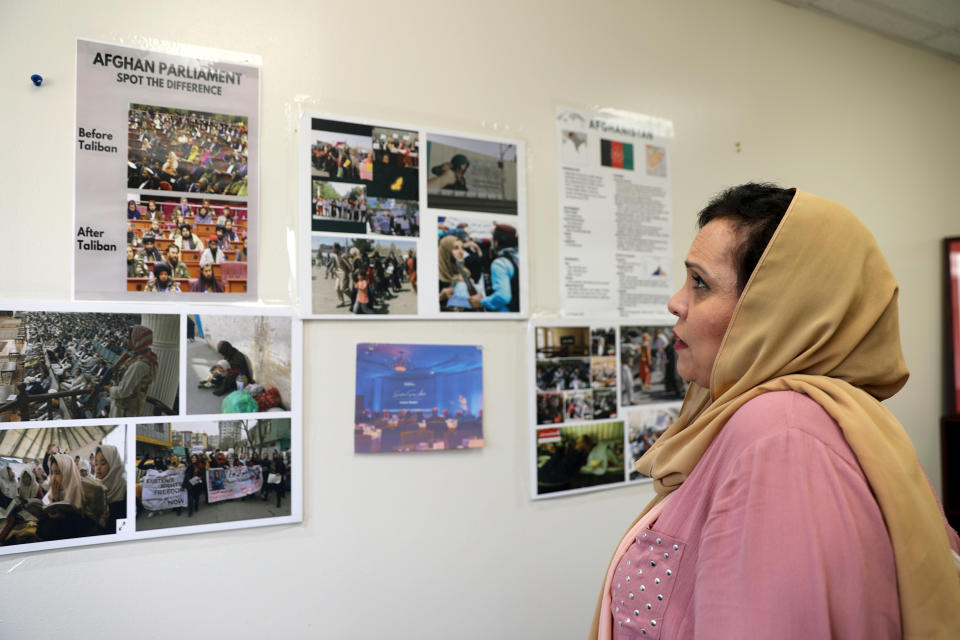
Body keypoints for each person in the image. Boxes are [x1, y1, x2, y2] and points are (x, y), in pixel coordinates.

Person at [590, 184, 960, 638]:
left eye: (700, 283)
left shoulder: (780, 436)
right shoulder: (768, 420)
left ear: (772, 311)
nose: (676, 302)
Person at [107, 325, 158, 417]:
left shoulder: (139, 364)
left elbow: (123, 391)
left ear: (137, 339)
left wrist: (109, 389)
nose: (125, 341)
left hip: (125, 410)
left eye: (128, 338)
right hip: (123, 405)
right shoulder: (140, 358)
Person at [469, 223, 519, 312]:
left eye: (492, 237)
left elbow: (503, 296)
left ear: (497, 242)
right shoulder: (520, 256)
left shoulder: (500, 263)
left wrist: (482, 301)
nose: (491, 240)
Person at [438, 234, 484, 311]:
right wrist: (441, 296)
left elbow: (473, 295)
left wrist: (475, 295)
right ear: (446, 251)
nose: (461, 252)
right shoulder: (435, 275)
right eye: (456, 248)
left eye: (462, 248)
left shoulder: (463, 270)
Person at [94, 445, 126, 527]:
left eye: (103, 463)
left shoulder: (124, 488)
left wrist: (111, 512)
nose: (98, 468)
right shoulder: (95, 486)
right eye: (96, 463)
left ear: (113, 465)